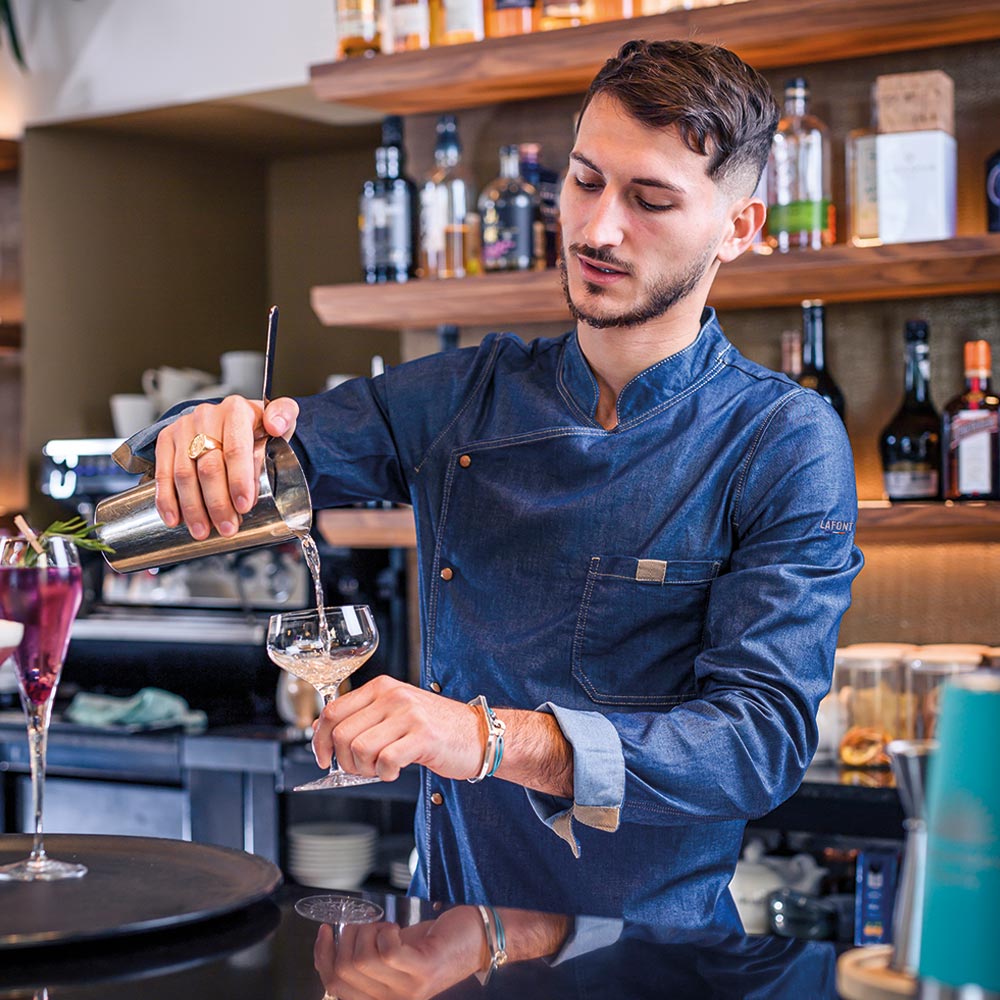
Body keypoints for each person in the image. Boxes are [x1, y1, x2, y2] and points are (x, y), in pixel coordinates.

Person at [137, 39, 863, 926]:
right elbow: (283, 443)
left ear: (739, 229)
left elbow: (755, 744)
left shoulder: (781, 440)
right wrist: (208, 426)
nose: (597, 230)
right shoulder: (466, 395)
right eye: (587, 180)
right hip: (438, 940)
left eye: (651, 200)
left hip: (648, 965)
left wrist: (480, 736)